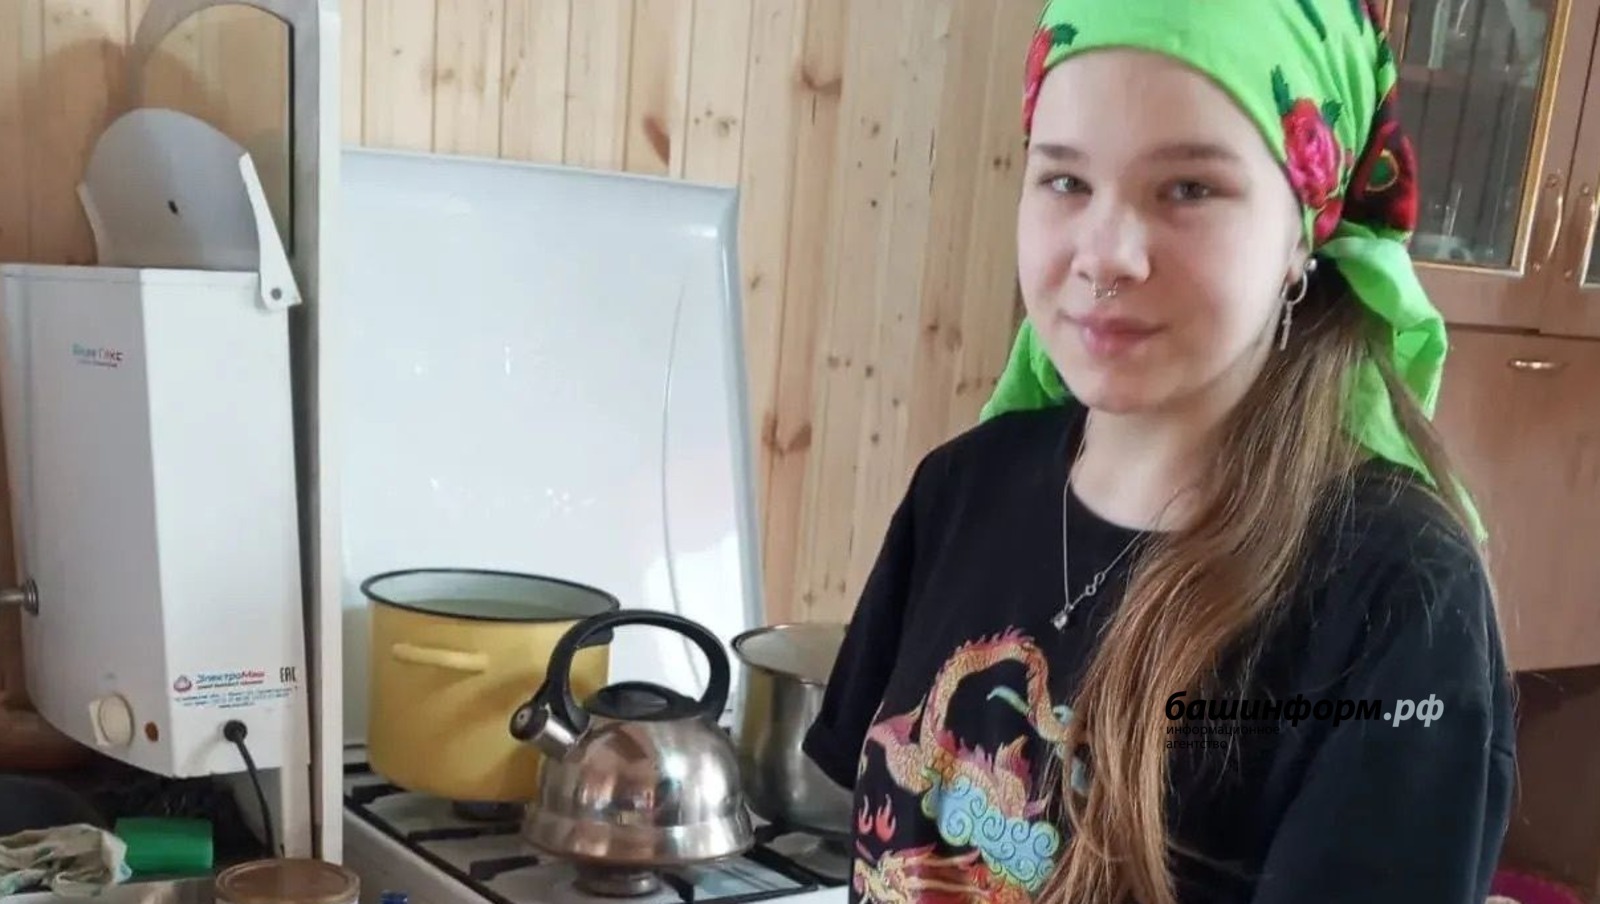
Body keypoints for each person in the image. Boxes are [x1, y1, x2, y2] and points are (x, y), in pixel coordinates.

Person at [800, 2, 1517, 902]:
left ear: (1303, 230)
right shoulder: (960, 489)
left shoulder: (1397, 596)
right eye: (1065, 180)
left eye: (1189, 189)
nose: (1106, 256)